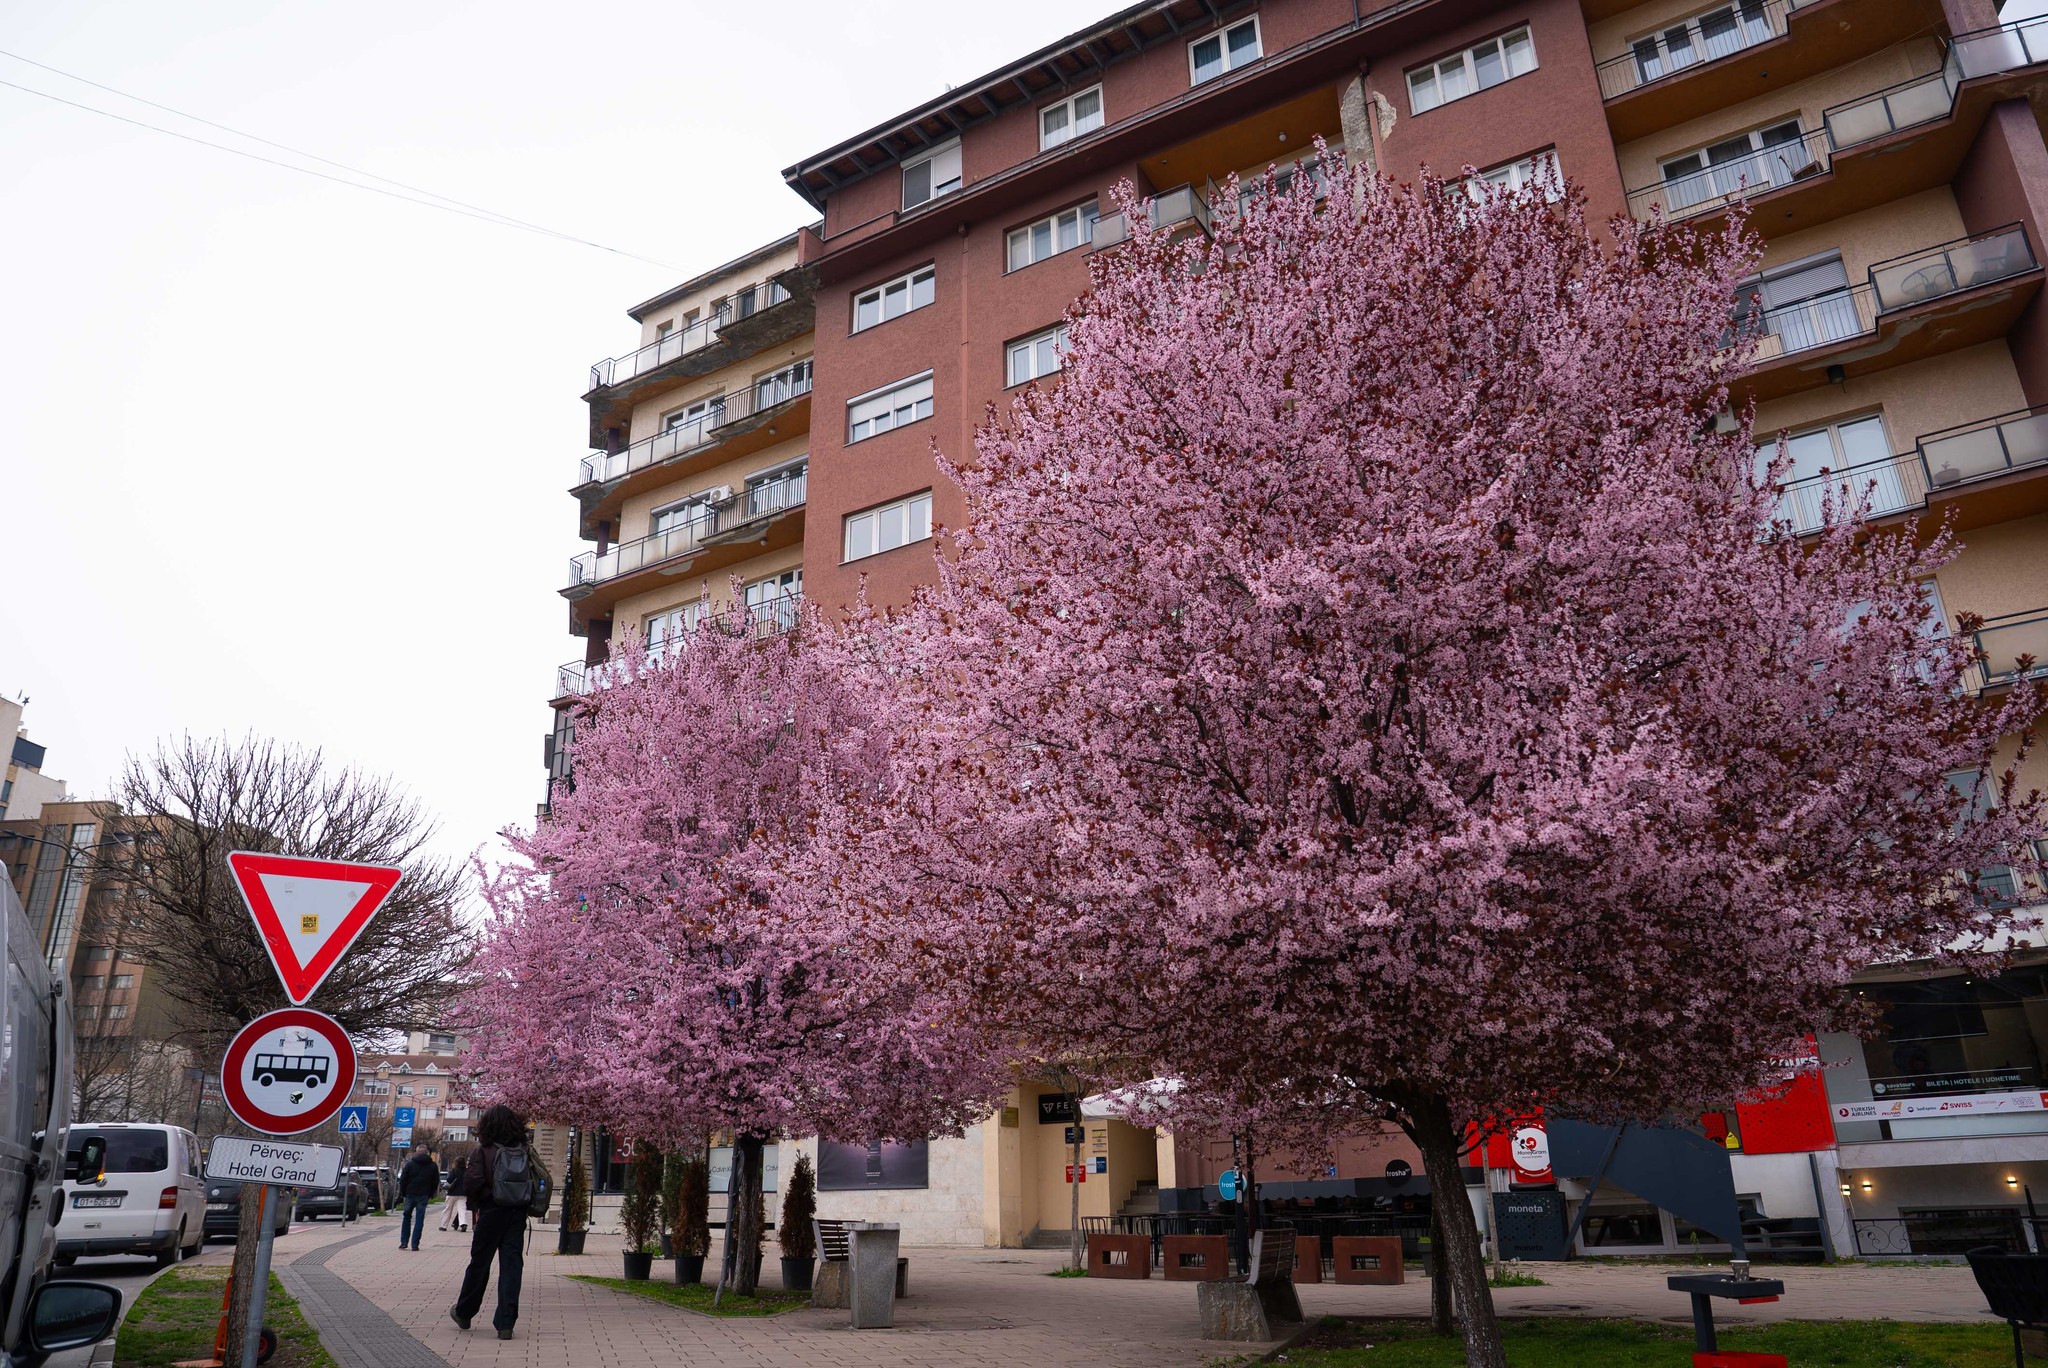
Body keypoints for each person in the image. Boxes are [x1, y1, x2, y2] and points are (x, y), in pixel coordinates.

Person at [450, 1105, 531, 1341]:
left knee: (480, 1264)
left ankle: (464, 1312)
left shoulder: (483, 1151)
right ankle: (505, 1323)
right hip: (516, 1213)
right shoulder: (523, 1148)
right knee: (512, 1267)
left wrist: (482, 1200)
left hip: (491, 1212)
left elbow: (472, 1181)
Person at [397, 1147, 439, 1251]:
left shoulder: (410, 1164)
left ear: (416, 1152)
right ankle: (415, 1244)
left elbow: (403, 1179)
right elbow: (435, 1181)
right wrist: (430, 1194)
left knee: (406, 1217)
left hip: (410, 1193)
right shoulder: (433, 1166)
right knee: (419, 1219)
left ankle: (404, 1242)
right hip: (424, 1195)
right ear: (427, 1153)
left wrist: (403, 1192)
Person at [439, 1153, 469, 1232]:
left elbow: (449, 1180)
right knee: (462, 1209)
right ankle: (463, 1223)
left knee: (448, 1209)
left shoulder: (454, 1170)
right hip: (463, 1193)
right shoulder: (467, 1171)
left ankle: (443, 1225)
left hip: (452, 1193)